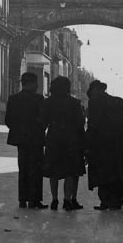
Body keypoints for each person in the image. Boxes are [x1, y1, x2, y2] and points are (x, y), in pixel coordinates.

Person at [85, 81, 123, 210]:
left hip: (100, 145)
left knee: (102, 175)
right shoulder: (118, 101)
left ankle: (105, 201)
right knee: (116, 172)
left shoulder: (94, 103)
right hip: (117, 143)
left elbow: (92, 125)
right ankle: (116, 201)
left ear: (95, 90)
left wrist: (87, 144)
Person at [4, 71, 47, 209]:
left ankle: (22, 200)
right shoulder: (39, 99)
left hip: (21, 139)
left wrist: (19, 130)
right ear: (33, 84)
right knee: (36, 169)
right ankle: (34, 200)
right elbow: (44, 120)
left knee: (23, 168)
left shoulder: (13, 99)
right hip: (36, 140)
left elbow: (8, 120)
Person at [43, 76, 86, 210]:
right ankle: (67, 200)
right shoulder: (74, 103)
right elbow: (80, 123)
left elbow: (43, 121)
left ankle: (54, 200)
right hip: (71, 140)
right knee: (70, 171)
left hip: (53, 139)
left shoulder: (48, 102)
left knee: (54, 172)